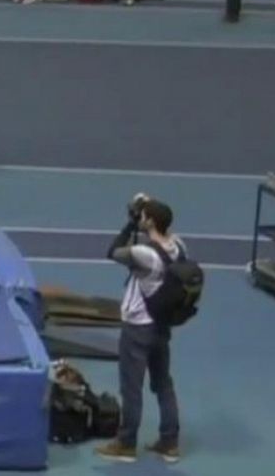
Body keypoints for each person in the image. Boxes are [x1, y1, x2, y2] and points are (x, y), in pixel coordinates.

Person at [97, 195, 185, 464]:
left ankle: (126, 444)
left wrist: (129, 225)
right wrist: (149, 208)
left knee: (131, 388)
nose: (141, 218)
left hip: (137, 328)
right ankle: (169, 443)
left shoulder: (144, 254)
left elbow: (113, 251)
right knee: (163, 384)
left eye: (144, 216)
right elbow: (161, 226)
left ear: (150, 221)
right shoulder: (179, 246)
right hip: (161, 326)